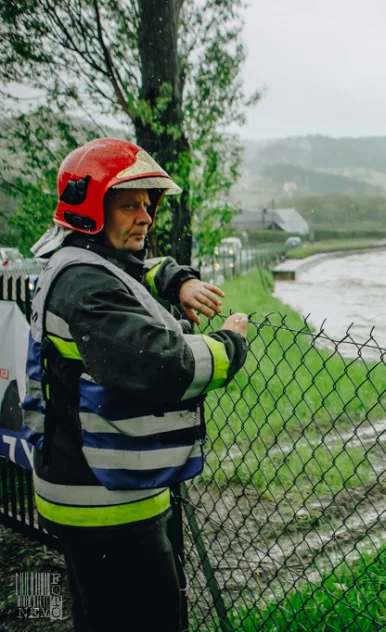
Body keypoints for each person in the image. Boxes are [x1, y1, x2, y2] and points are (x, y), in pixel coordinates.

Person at [21, 138, 249, 631]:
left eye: (147, 205)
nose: (145, 217)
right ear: (89, 211)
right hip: (105, 505)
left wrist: (178, 279)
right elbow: (164, 365)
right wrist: (229, 345)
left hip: (94, 487)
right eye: (129, 205)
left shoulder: (79, 263)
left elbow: (138, 271)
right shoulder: (86, 288)